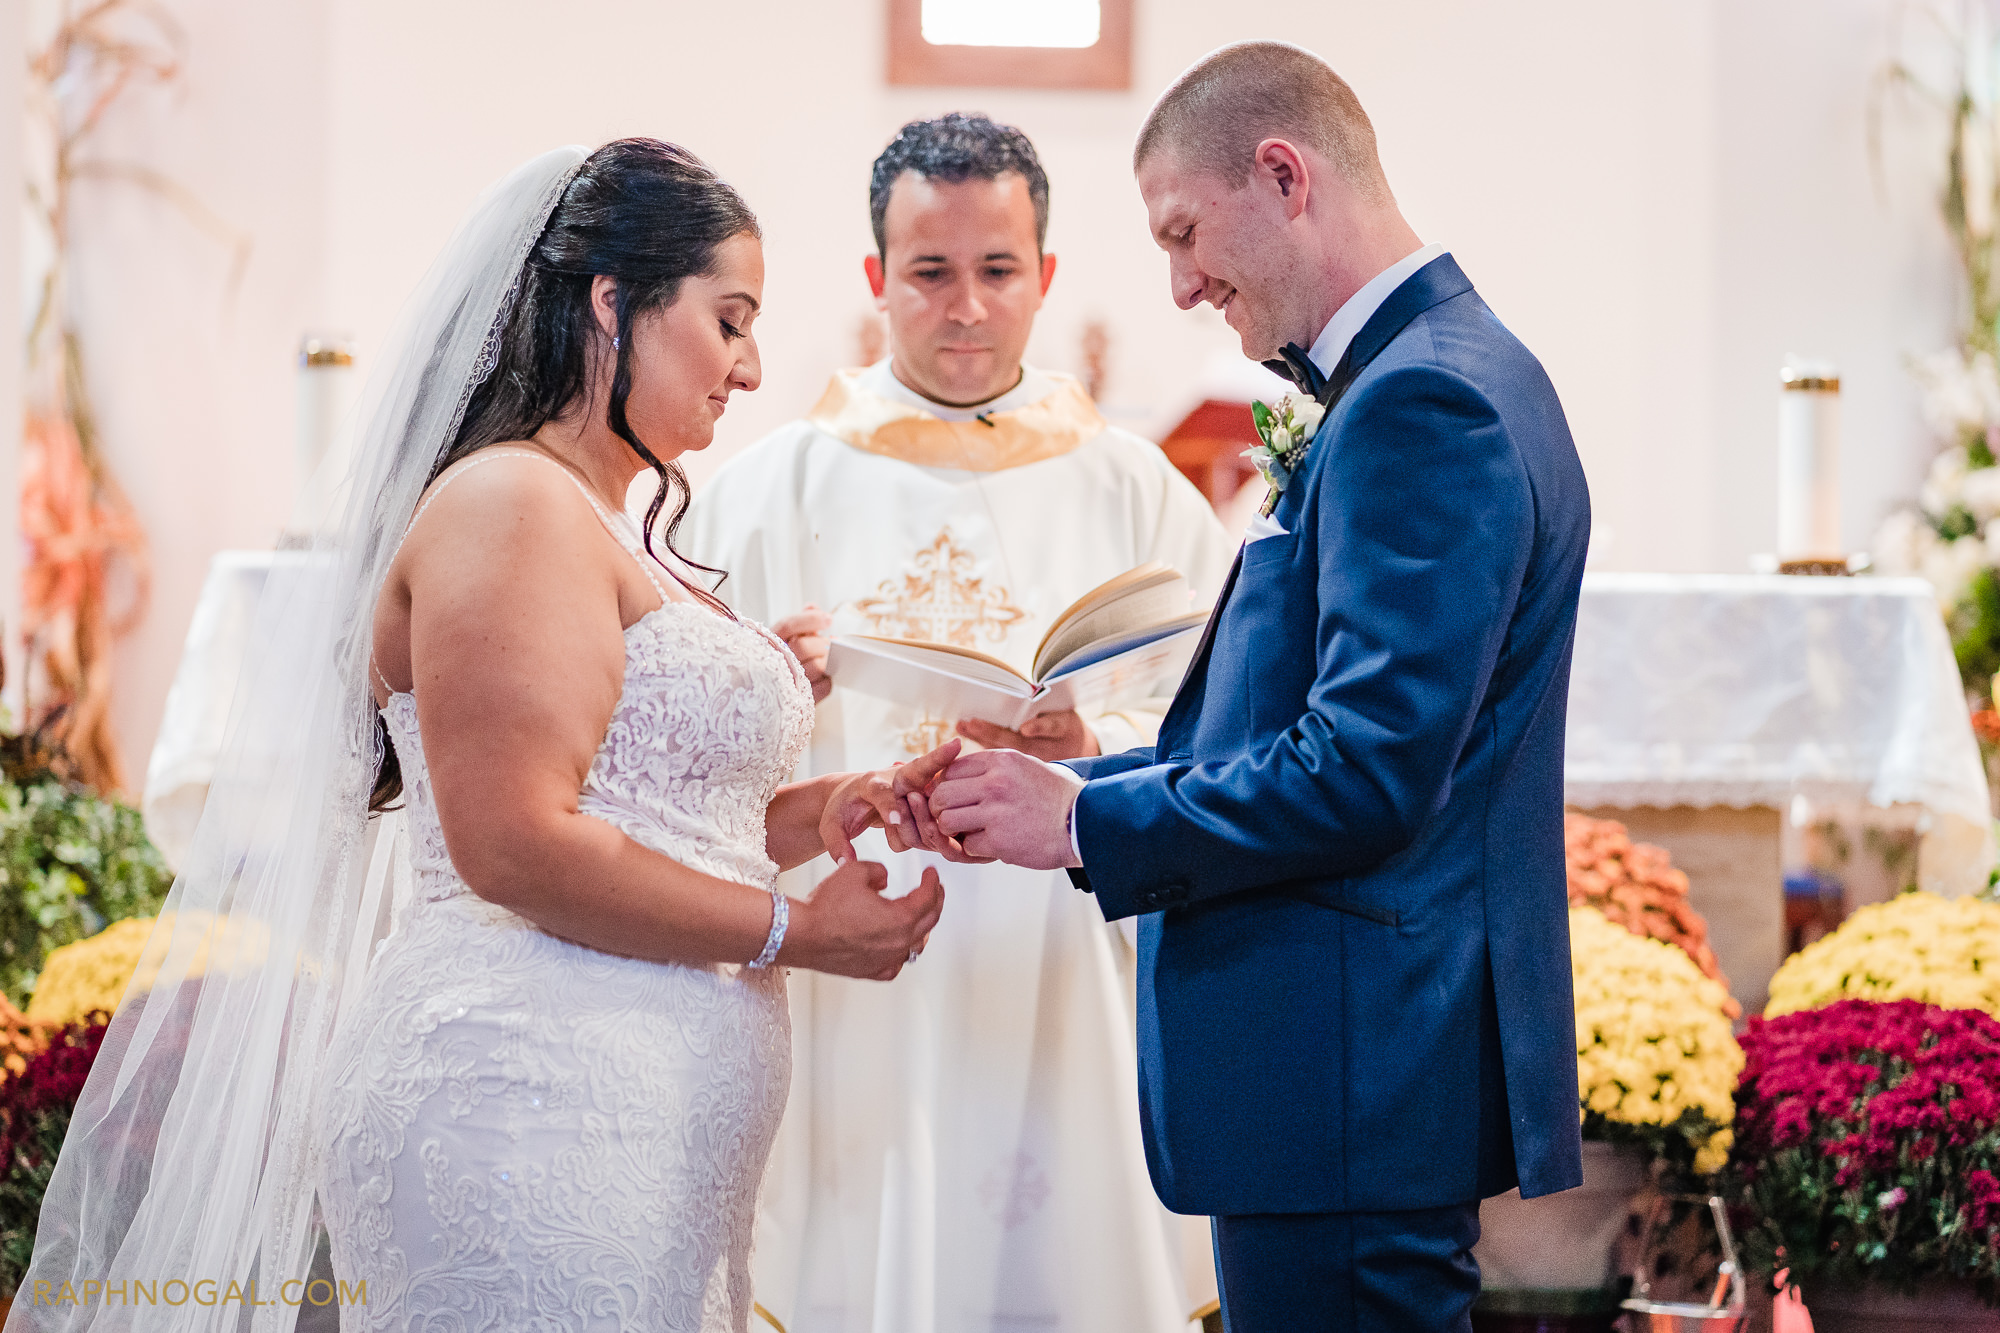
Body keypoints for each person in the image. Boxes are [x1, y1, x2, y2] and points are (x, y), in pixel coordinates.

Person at [10, 141, 951, 1333]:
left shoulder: (604, 519)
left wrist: (827, 810)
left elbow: (645, 823)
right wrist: (796, 930)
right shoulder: (509, 502)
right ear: (611, 302)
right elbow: (516, 843)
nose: (752, 367)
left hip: (633, 1123)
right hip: (525, 1108)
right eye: (728, 320)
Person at [907, 44, 1592, 1333]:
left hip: (1345, 1070)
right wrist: (1066, 788)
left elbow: (1366, 768)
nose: (1176, 285)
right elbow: (1281, 729)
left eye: (1182, 232)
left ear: (1282, 176)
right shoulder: (1413, 375)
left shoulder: (1421, 400)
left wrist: (1081, 824)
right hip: (1348, 1074)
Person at [683, 114, 1234, 1332]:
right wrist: (783, 680)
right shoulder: (774, 485)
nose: (967, 308)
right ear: (877, 279)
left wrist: (1094, 743)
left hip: (1060, 935)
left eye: (998, 272)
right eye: (930, 273)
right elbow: (677, 736)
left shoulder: (1130, 484)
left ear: (1046, 278)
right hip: (861, 932)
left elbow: (1222, 711)